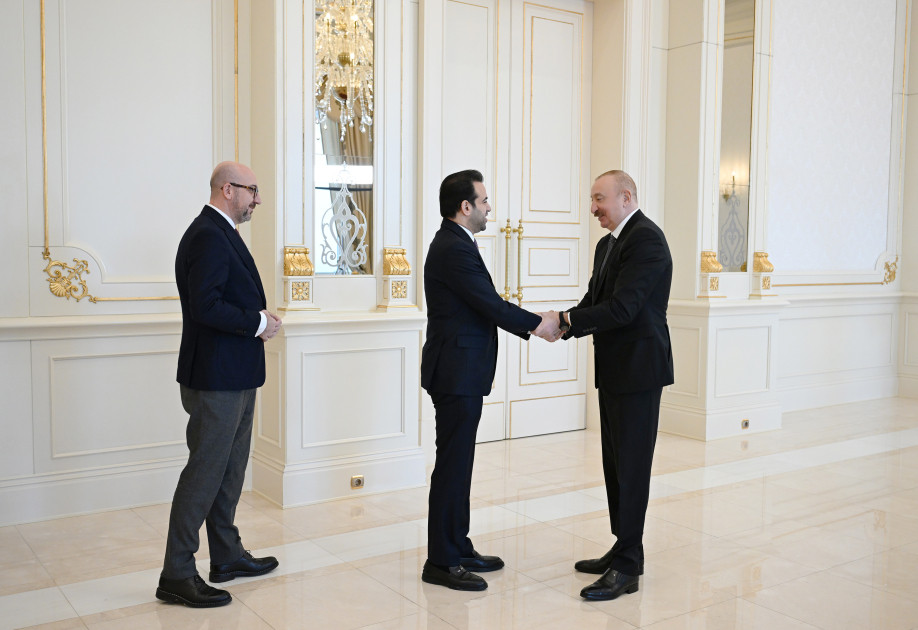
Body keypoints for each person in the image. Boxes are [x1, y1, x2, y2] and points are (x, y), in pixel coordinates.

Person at [421, 169, 560, 591]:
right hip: (456, 372)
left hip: (461, 371)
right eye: (484, 201)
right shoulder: (453, 247)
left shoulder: (457, 242)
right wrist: (539, 324)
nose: (489, 207)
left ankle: (458, 546)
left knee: (460, 463)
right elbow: (490, 305)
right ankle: (441, 561)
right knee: (452, 465)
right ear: (465, 206)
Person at [156, 162, 283, 608]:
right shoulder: (208, 235)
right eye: (252, 190)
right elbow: (206, 306)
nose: (257, 199)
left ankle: (226, 555)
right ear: (227, 189)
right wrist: (258, 322)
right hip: (215, 379)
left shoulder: (221, 231)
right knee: (204, 473)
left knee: (230, 471)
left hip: (235, 375)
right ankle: (176, 573)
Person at [559, 170, 673, 601]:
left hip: (640, 371)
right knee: (615, 464)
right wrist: (562, 324)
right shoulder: (607, 244)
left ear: (626, 197)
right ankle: (624, 546)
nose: (593, 208)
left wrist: (566, 321)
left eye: (599, 199)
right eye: (592, 199)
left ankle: (627, 567)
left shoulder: (647, 240)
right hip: (614, 370)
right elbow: (595, 301)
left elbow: (624, 309)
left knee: (633, 466)